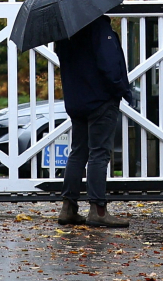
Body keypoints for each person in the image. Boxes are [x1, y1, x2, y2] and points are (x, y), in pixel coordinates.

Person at [55, 15, 135, 228]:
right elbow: (109, 64)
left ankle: (68, 208)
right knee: (99, 153)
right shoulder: (99, 26)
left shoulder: (65, 30)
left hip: (76, 100)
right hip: (100, 99)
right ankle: (98, 210)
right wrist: (124, 91)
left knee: (78, 151)